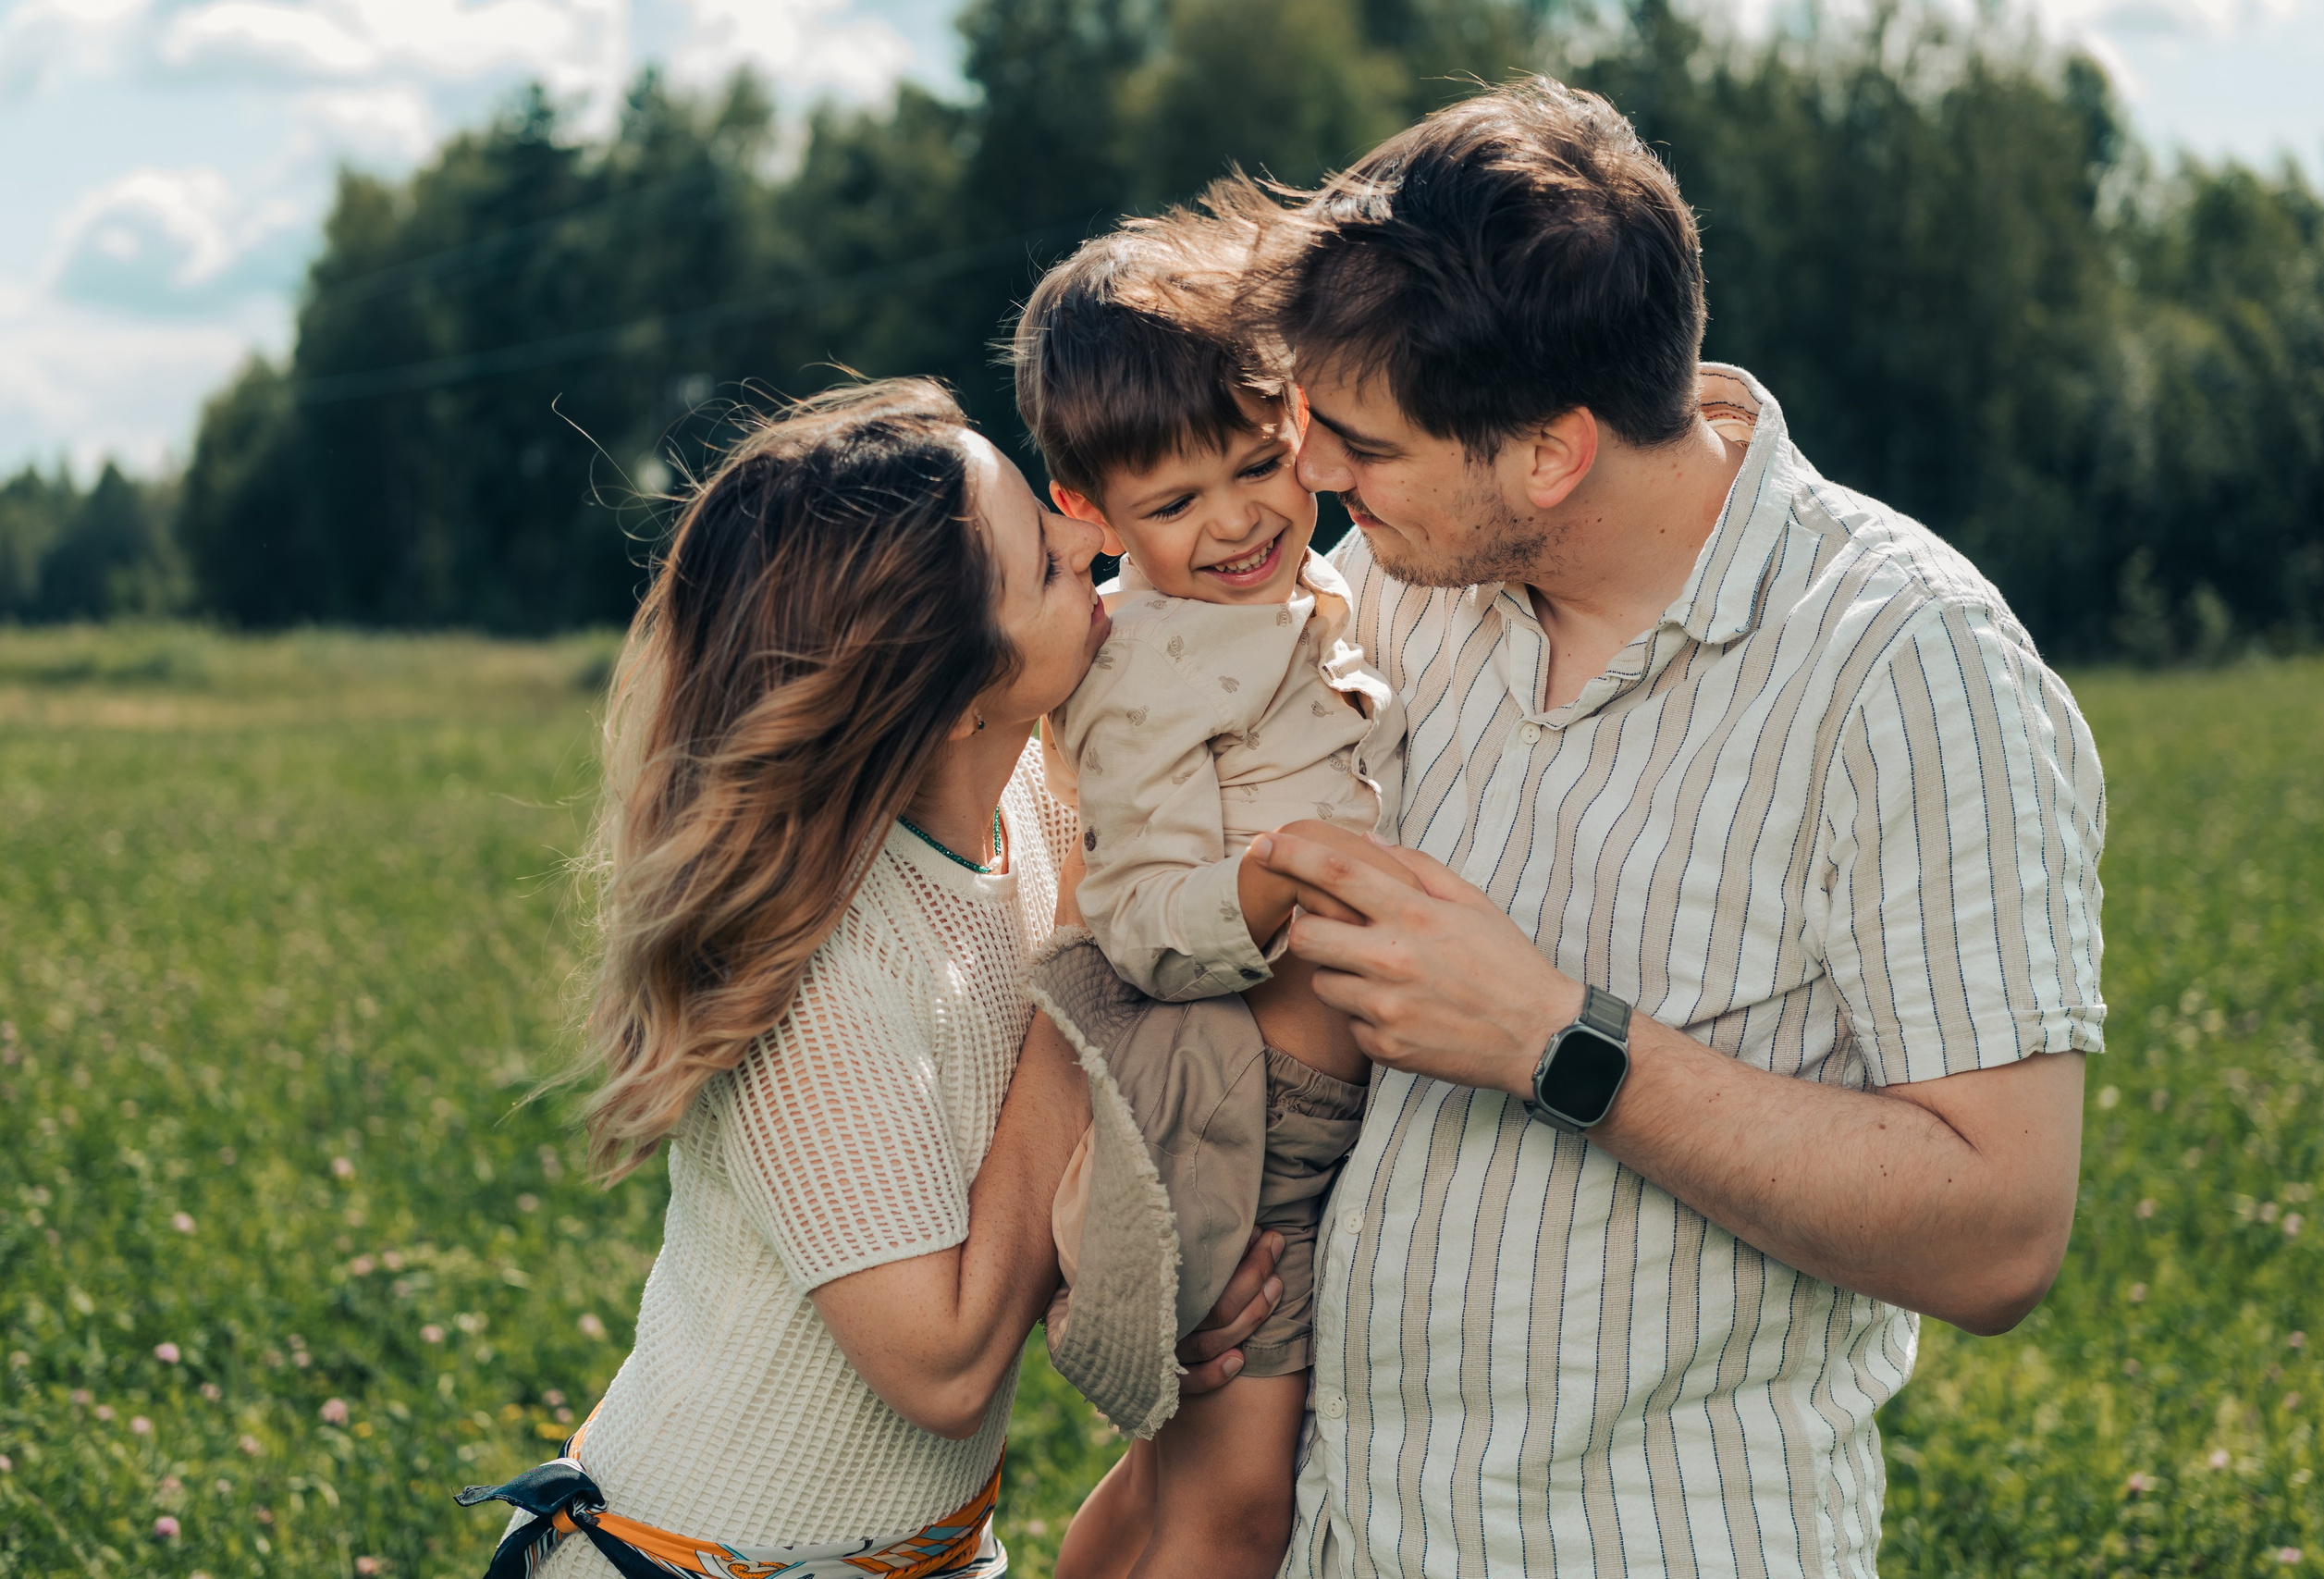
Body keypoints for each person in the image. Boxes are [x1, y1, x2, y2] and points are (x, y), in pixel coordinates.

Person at [1224, 80, 2104, 1578]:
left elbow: (2000, 1231)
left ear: (1553, 453)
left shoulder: (1910, 668)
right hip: (1343, 1540)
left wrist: (1556, 1040)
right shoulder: (1385, 590)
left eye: (1360, 442)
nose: (1312, 474)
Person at [452, 379, 1283, 1579]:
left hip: (927, 1555)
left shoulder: (1032, 809)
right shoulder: (815, 962)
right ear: (945, 694)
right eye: (1044, 565)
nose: (1087, 533)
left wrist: (1145, 1298)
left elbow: (1021, 1185)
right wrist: (1086, 981)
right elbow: (939, 1365)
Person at [1002, 219, 1418, 1579]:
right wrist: (1255, 886)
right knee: (1238, 1511)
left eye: (1259, 466)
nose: (1237, 521)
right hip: (1256, 1111)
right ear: (1088, 513)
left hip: (1293, 1095)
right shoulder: (1143, 670)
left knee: (1168, 1481)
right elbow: (1137, 915)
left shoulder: (1286, 594)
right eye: (1175, 506)